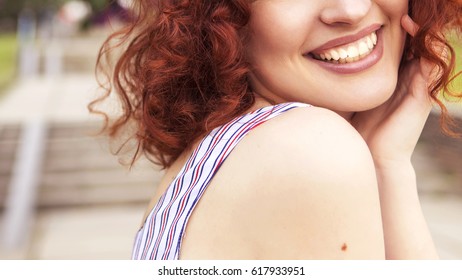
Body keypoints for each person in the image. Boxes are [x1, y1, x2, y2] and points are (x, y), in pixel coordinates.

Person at [91, 0, 462, 260]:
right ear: (220, 17)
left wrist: (388, 165)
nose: (351, 9)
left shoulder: (228, 151)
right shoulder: (309, 153)